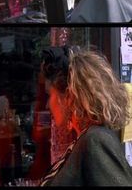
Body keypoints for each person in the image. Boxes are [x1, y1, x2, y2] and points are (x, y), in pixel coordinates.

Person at [39, 46, 132, 186]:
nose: (47, 105)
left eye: (49, 95)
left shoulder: (95, 140)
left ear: (69, 96)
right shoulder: (84, 139)